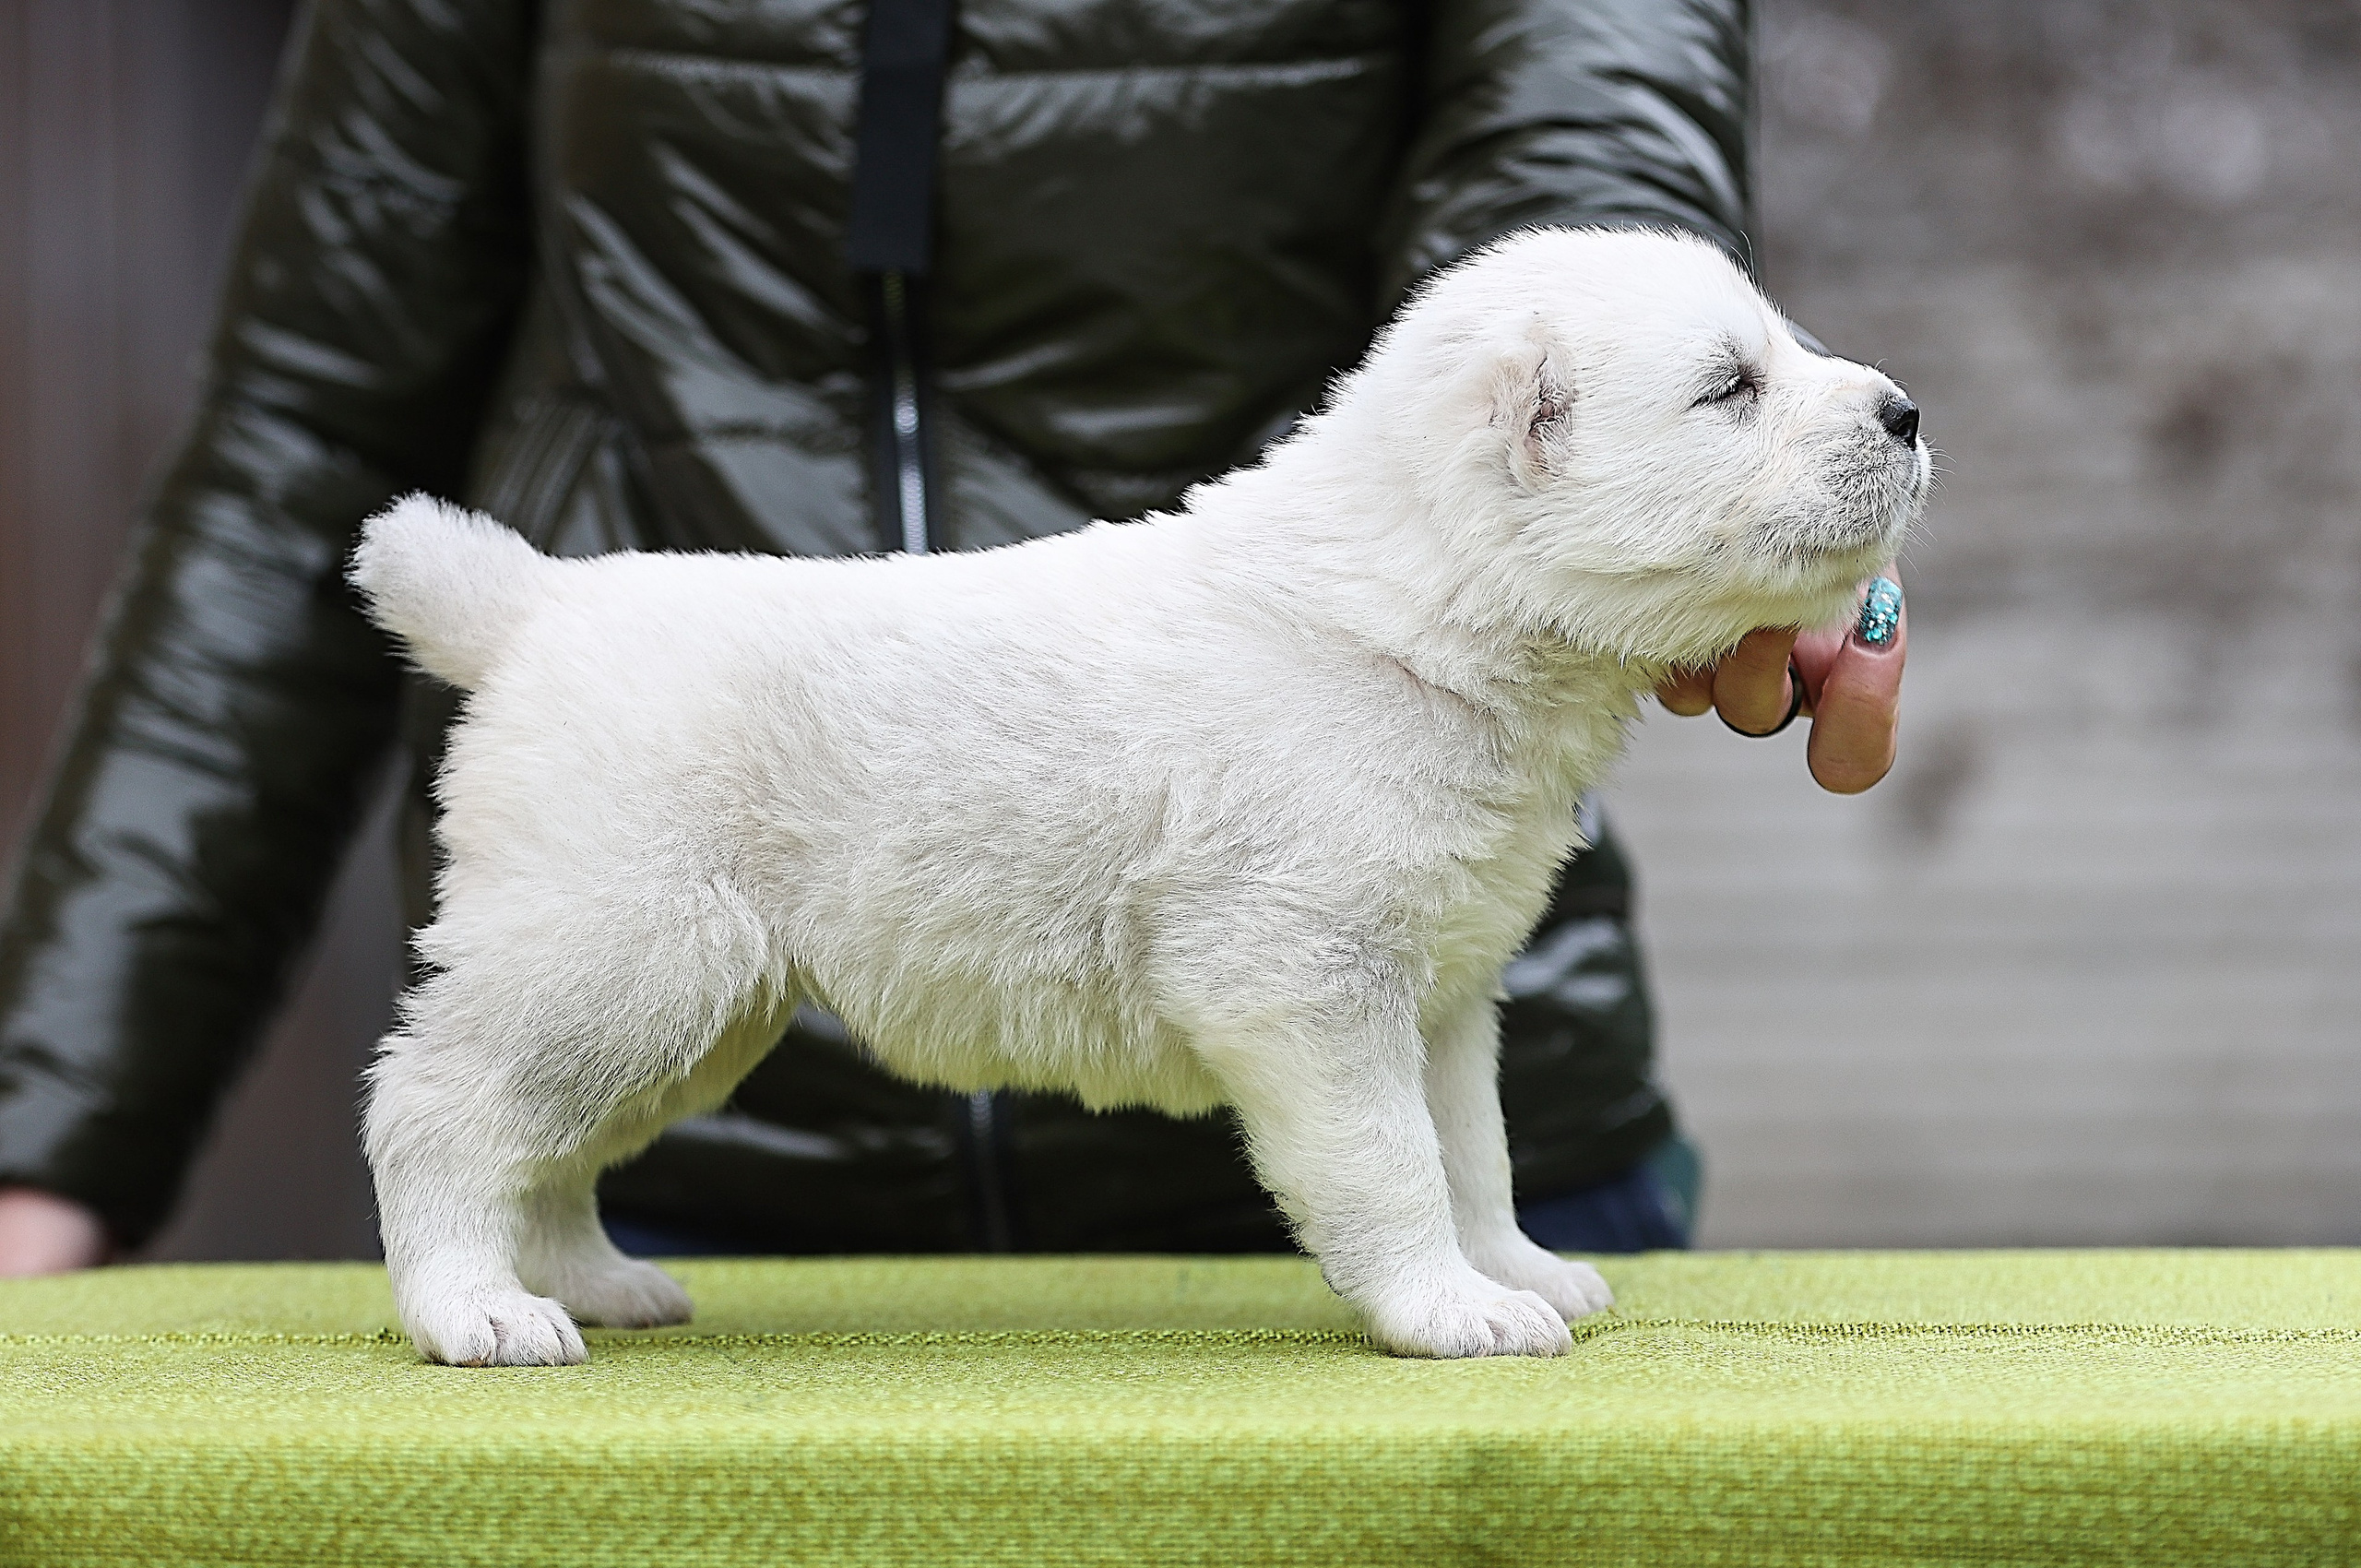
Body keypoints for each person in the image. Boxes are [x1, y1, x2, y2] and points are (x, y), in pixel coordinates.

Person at [0, 0, 1903, 1277]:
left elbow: (1589, 140)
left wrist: (1723, 503)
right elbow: (295, 448)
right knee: (586, 1024)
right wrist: (54, 1123)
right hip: (746, 1194)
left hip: (1459, 1160)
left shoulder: (1526, 404)